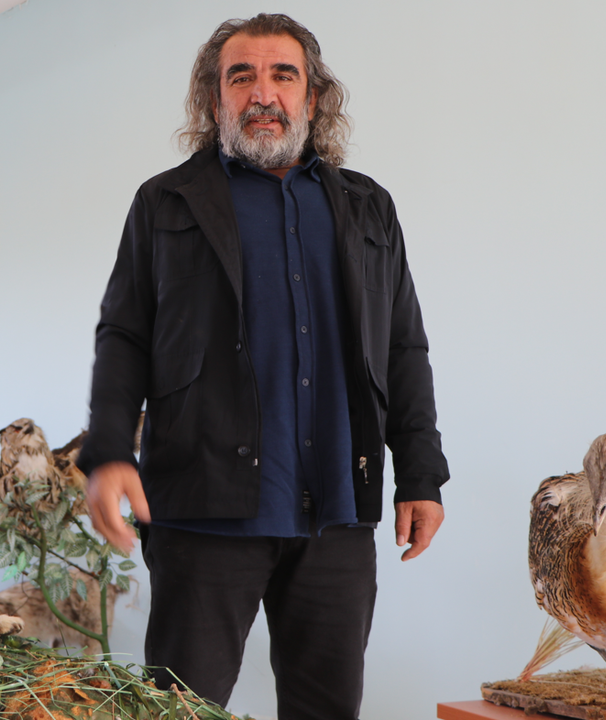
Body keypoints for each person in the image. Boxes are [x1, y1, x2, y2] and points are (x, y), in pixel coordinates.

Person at [75, 13, 450, 720]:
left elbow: (403, 345)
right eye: (240, 76)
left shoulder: (369, 207)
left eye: (283, 75)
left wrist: (421, 474)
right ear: (214, 97)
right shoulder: (164, 203)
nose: (262, 93)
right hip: (201, 512)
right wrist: (110, 450)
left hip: (338, 515)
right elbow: (124, 336)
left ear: (313, 96)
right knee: (180, 712)